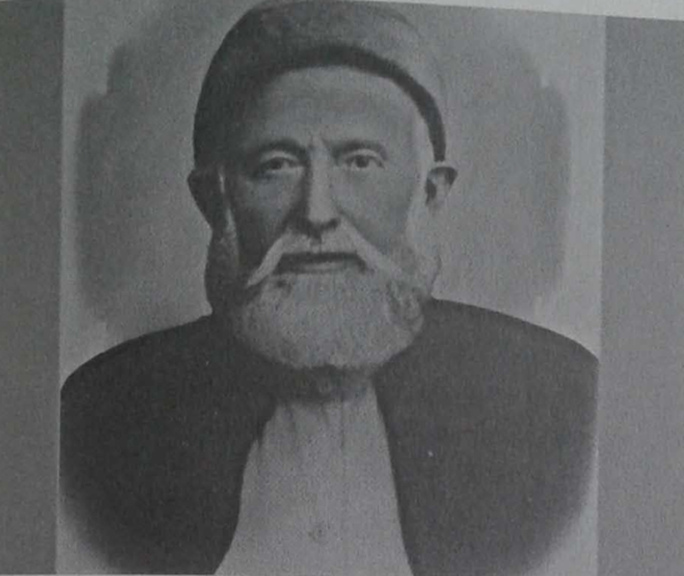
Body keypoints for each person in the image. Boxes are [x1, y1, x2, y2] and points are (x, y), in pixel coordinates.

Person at [60, 1, 597, 574]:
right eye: (276, 165)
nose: (317, 211)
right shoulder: (100, 415)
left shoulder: (564, 399)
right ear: (215, 200)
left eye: (359, 163)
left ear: (430, 192)